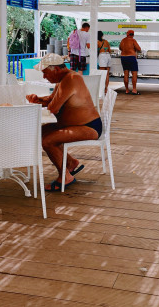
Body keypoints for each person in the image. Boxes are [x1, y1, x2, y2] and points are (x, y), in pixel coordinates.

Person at [26, 53, 102, 191]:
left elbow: (53, 108)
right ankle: (71, 163)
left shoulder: (71, 79)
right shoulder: (63, 79)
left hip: (89, 127)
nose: (44, 77)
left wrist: (45, 103)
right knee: (40, 132)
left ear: (56, 69)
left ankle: (66, 177)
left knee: (48, 141)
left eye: (45, 72)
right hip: (73, 125)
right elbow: (51, 99)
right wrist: (38, 99)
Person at [119, 30, 141, 95]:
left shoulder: (123, 40)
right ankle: (134, 90)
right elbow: (139, 49)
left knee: (126, 74)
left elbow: (120, 48)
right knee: (134, 73)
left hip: (123, 57)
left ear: (127, 34)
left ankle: (127, 90)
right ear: (133, 35)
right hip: (131, 57)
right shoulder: (133, 40)